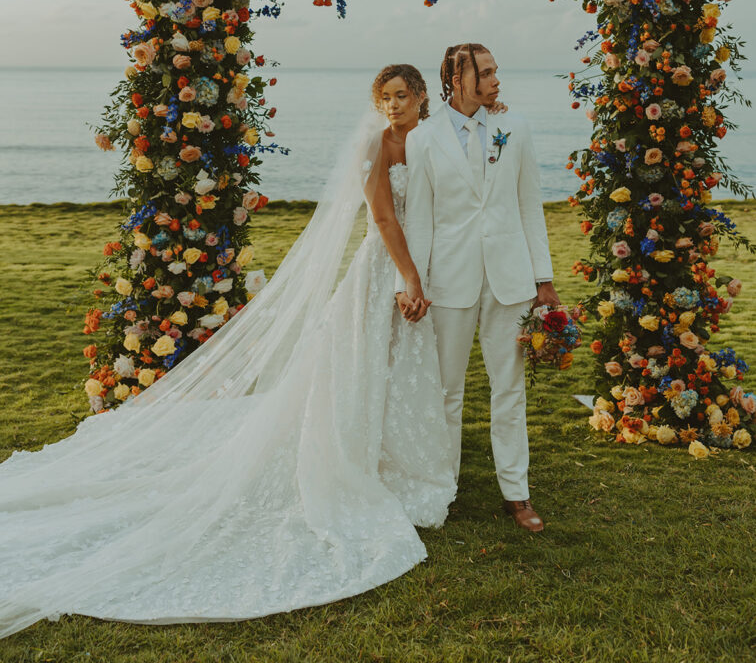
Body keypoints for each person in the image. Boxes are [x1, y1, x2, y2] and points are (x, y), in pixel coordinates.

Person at [0, 65, 456, 639]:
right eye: (384, 97)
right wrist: (408, 277)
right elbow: (385, 217)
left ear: (420, 97)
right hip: (386, 269)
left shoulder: (435, 140)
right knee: (360, 367)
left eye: (402, 96)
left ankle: (397, 460)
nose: (393, 106)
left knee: (403, 368)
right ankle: (355, 462)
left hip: (430, 264)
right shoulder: (375, 142)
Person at [396, 43, 560, 533]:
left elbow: (530, 205)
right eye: (485, 74)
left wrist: (543, 281)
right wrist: (414, 283)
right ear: (457, 80)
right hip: (449, 280)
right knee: (445, 391)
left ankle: (517, 493)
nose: (494, 81)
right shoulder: (423, 138)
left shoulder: (516, 128)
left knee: (508, 391)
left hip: (509, 279)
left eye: (495, 72)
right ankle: (442, 488)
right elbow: (420, 218)